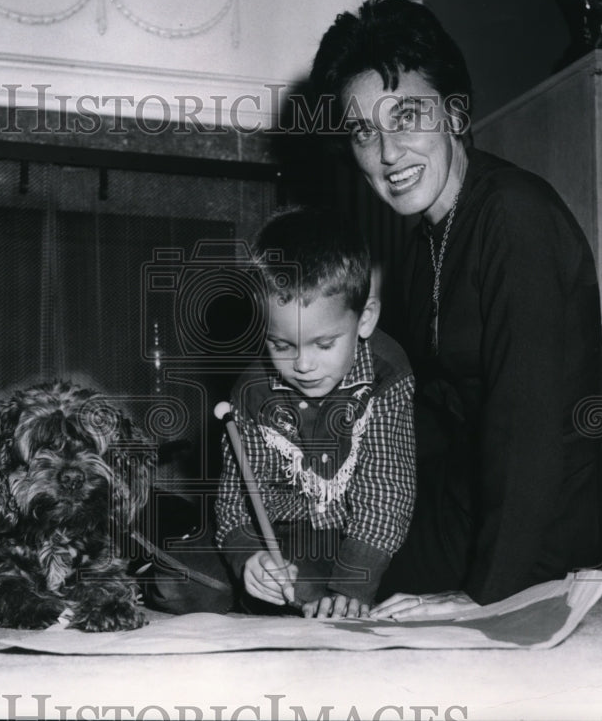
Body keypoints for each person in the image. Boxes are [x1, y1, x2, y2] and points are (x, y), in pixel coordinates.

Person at [309, 0, 602, 621]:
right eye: (364, 132)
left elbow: (530, 425)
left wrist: (486, 597)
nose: (388, 152)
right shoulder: (424, 241)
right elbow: (425, 414)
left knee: (352, 582)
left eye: (407, 116)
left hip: (550, 506)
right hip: (471, 491)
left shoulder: (514, 217)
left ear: (454, 113)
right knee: (322, 567)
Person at [145, 206, 416, 618]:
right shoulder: (251, 390)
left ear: (366, 319)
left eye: (324, 344)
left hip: (343, 538)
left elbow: (386, 495)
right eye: (282, 345)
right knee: (174, 582)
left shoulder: (387, 373)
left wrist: (351, 586)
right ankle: (240, 589)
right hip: (268, 533)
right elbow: (234, 503)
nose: (303, 365)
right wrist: (249, 559)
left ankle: (269, 598)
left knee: (312, 589)